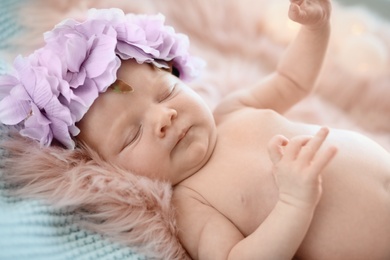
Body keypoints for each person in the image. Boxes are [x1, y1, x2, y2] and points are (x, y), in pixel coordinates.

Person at [1, 1, 390, 259]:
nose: (163, 118)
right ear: (108, 168)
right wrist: (293, 202)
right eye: (132, 134)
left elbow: (293, 78)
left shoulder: (233, 110)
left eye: (167, 93)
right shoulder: (192, 204)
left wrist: (316, 29)